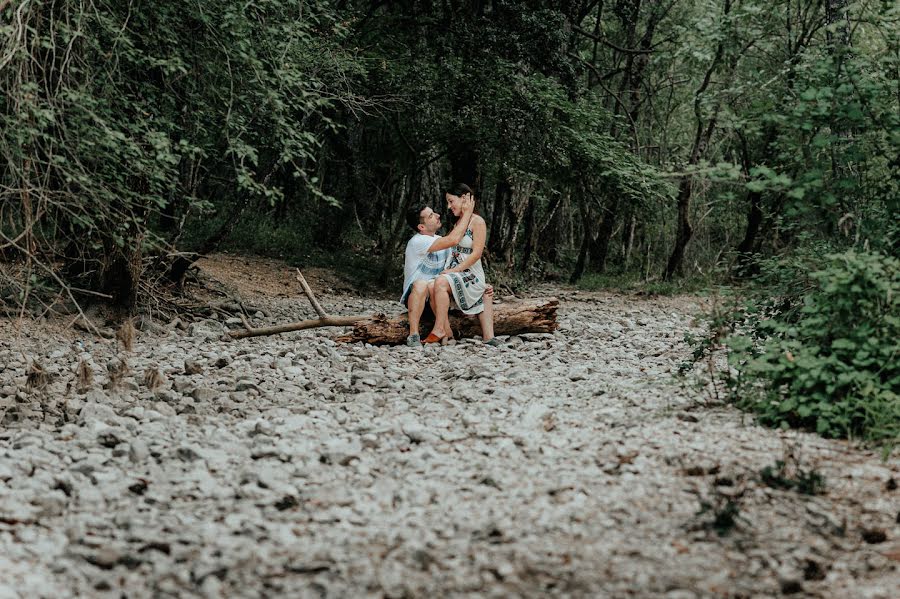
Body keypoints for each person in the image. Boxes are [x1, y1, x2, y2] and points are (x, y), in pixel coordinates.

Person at [424, 183, 498, 346]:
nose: (449, 206)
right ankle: (447, 333)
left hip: (470, 272)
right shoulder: (459, 223)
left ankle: (439, 329)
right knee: (431, 286)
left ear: (464, 198)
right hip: (456, 271)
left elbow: (477, 254)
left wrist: (453, 271)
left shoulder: (477, 222)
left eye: (451, 201)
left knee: (441, 281)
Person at [401, 194, 475, 346]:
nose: (437, 215)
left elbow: (458, 263)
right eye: (431, 216)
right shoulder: (418, 241)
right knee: (422, 284)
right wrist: (467, 213)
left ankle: (443, 331)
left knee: (434, 283)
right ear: (421, 227)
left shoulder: (438, 240)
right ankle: (413, 334)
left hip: (438, 296)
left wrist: (478, 283)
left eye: (433, 213)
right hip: (417, 297)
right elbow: (453, 239)